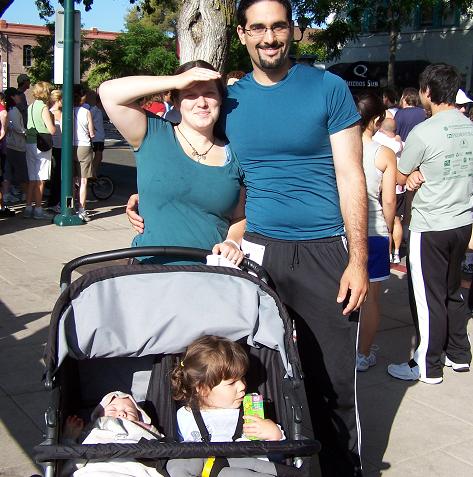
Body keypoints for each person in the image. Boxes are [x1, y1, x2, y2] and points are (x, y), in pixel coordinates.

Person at [127, 1, 368, 474]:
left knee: (332, 381)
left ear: (293, 31)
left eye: (278, 27)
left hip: (324, 249)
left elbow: (351, 175)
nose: (269, 38)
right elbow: (192, 152)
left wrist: (358, 259)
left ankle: (341, 467)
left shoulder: (328, 88)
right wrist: (148, 201)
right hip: (255, 251)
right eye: (257, 28)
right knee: (257, 375)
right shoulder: (231, 101)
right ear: (241, 34)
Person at [100, 60, 246, 265]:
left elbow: (240, 216)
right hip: (150, 270)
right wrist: (177, 80)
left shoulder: (236, 154)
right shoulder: (152, 133)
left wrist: (232, 242)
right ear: (176, 102)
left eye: (209, 94)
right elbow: (108, 92)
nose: (201, 102)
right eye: (190, 94)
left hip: (209, 274)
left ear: (221, 99)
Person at [387, 63, 473, 384]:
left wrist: (410, 174)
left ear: (427, 92)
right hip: (462, 221)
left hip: (431, 224)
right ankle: (459, 353)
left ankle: (427, 365)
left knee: (427, 297)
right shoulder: (469, 126)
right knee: (452, 290)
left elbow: (399, 175)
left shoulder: (424, 131)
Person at [167, 335, 284, 477]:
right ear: (202, 389)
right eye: (231, 383)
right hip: (205, 470)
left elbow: (276, 458)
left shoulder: (250, 413)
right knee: (177, 462)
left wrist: (274, 434)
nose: (242, 386)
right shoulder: (184, 416)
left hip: (246, 469)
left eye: (242, 378)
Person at [356, 94, 396, 372]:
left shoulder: (335, 149)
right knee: (371, 299)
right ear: (377, 120)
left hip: (341, 232)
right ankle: (362, 354)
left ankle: (342, 350)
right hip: (374, 232)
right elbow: (389, 201)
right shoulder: (384, 153)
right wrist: (390, 230)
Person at [61, 390, 164, 477]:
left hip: (134, 467)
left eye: (130, 412)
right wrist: (69, 438)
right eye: (112, 410)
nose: (121, 413)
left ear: (140, 418)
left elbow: (161, 447)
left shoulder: (143, 429)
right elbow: (73, 458)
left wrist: (150, 430)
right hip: (95, 469)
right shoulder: (93, 429)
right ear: (98, 415)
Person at [373, 117, 404, 264]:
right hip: (400, 189)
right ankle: (396, 252)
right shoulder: (401, 143)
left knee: (386, 225)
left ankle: (387, 254)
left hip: (386, 188)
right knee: (397, 221)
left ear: (381, 129)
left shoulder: (378, 141)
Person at [24, 81, 56, 220]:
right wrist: (53, 119)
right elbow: (52, 130)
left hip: (30, 142)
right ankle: (38, 209)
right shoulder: (43, 108)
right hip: (42, 144)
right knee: (41, 179)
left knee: (32, 178)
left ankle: (28, 208)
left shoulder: (30, 106)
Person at [2, 88, 27, 215]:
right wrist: (27, 133)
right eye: (17, 95)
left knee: (7, 171)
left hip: (9, 144)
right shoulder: (14, 110)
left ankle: (6, 194)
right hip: (17, 145)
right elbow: (18, 128)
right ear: (13, 97)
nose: (20, 97)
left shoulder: (9, 110)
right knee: (22, 171)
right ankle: (26, 195)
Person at [73, 85, 95, 222]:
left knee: (72, 178)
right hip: (84, 145)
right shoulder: (86, 112)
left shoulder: (67, 111)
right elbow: (91, 132)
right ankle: (82, 209)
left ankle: (71, 205)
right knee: (83, 180)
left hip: (71, 145)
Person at [47, 89, 62, 212]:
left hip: (61, 147)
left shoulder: (62, 112)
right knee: (56, 175)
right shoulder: (50, 112)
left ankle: (57, 200)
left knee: (59, 175)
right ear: (58, 100)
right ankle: (54, 201)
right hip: (55, 147)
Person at [87, 91, 106, 177]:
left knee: (99, 157)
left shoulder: (99, 110)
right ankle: (92, 173)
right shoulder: (94, 110)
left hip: (100, 137)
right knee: (98, 156)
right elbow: (88, 120)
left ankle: (93, 173)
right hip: (96, 137)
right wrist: (93, 129)